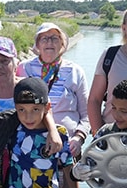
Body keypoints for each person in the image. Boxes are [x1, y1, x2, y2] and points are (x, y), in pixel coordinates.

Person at [5, 77, 76, 188]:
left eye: (35, 109)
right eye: (22, 110)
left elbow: (69, 170)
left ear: (47, 108)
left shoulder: (59, 134)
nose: (28, 116)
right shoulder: (11, 129)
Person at [17, 22, 91, 156]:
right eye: (44, 38)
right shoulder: (24, 68)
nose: (49, 42)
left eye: (54, 38)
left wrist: (79, 138)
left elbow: (87, 113)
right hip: (30, 147)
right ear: (37, 44)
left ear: (62, 44)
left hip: (67, 147)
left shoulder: (75, 71)